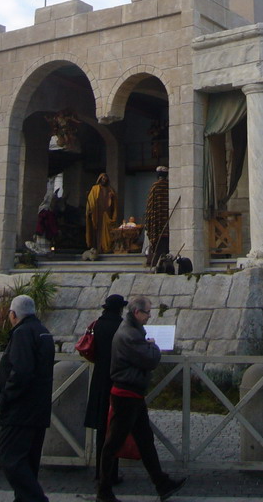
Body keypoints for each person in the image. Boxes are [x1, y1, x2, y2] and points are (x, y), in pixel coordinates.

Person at [97, 295, 185, 502]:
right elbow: (151, 359)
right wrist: (153, 346)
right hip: (126, 395)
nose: (149, 316)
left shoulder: (132, 331)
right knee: (112, 445)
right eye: (147, 312)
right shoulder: (129, 334)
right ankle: (103, 491)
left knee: (145, 442)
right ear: (137, 312)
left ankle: (162, 484)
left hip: (132, 394)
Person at [0, 294, 55, 502]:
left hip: (20, 410)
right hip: (39, 408)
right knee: (28, 461)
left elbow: (22, 371)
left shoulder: (23, 333)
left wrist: (6, 397)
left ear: (14, 314)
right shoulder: (43, 333)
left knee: (10, 458)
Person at [84, 293, 128, 484]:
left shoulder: (98, 324)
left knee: (102, 429)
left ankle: (99, 471)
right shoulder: (121, 326)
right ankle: (111, 473)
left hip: (99, 378)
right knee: (115, 429)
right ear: (120, 308)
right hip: (117, 379)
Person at [86, 173, 118, 253]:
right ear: (100, 179)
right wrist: (91, 210)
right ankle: (97, 248)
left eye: (105, 179)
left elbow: (114, 203)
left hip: (107, 214)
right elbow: (91, 200)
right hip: (97, 214)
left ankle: (106, 248)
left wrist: (112, 197)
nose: (104, 180)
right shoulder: (95, 189)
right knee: (97, 232)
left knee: (108, 232)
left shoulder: (110, 190)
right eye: (103, 179)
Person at [144, 167, 170, 268]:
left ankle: (156, 263)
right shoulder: (170, 186)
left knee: (159, 245)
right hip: (167, 224)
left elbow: (150, 207)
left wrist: (149, 222)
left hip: (157, 223)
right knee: (165, 245)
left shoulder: (155, 186)